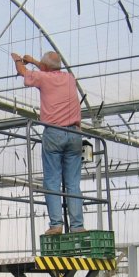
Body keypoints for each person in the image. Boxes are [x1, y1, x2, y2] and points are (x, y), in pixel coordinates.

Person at [11, 50, 84, 235]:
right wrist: (35, 61)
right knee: (73, 183)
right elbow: (49, 69)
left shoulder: (43, 78)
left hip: (55, 133)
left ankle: (56, 225)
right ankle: (77, 226)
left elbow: (23, 72)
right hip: (75, 134)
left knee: (52, 180)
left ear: (44, 67)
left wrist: (19, 60)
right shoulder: (70, 78)